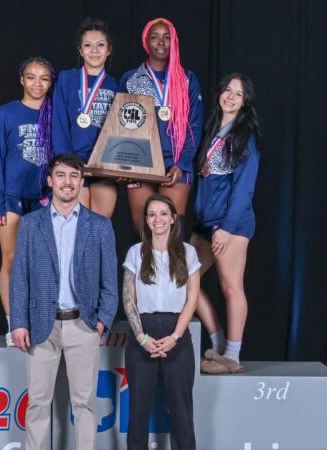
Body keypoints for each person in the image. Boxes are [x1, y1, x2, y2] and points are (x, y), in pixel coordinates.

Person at [9, 153, 118, 450]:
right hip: (42, 326)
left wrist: (102, 320)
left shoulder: (99, 226)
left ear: (81, 182)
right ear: (51, 181)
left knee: (84, 403)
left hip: (83, 325)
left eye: (74, 176)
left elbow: (110, 282)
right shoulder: (30, 225)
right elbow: (19, 279)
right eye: (61, 175)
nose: (68, 182)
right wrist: (19, 322)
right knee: (38, 402)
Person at [121, 194, 201, 450]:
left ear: (172, 218)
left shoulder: (188, 253)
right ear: (146, 221)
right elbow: (128, 297)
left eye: (163, 214)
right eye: (151, 214)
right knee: (138, 409)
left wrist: (175, 337)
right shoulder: (134, 253)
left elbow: (192, 299)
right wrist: (142, 338)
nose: (157, 220)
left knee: (180, 408)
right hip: (142, 332)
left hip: (176, 333)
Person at [190, 73, 260, 372]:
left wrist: (227, 228)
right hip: (206, 224)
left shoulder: (245, 137)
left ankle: (233, 355)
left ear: (245, 103)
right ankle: (218, 343)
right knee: (184, 279)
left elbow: (245, 188)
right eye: (227, 90)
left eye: (239, 94)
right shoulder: (212, 131)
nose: (230, 97)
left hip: (232, 224)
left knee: (230, 286)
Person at [0, 57, 55, 345]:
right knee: (11, 260)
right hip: (12, 197)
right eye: (31, 77)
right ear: (21, 80)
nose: (37, 83)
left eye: (44, 78)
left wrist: (55, 196)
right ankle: (14, 323)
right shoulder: (5, 114)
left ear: (51, 83)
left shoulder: (55, 114)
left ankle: (40, 321)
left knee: (42, 263)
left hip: (43, 198)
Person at [120, 18, 203, 235]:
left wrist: (183, 163)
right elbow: (120, 125)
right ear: (146, 41)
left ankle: (172, 271)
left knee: (172, 233)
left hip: (175, 164)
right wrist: (124, 163)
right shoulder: (130, 79)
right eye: (155, 36)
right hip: (141, 163)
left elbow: (195, 127)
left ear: (174, 41)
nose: (161, 42)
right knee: (144, 232)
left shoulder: (187, 80)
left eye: (167, 37)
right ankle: (147, 271)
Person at [52, 17, 118, 218]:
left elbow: (121, 129)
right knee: (75, 229)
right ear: (80, 50)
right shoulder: (66, 79)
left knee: (99, 228)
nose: (94, 51)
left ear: (109, 50)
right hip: (74, 165)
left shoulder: (116, 85)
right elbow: (59, 122)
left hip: (103, 167)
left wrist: (119, 165)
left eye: (100, 45)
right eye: (88, 45)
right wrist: (68, 163)